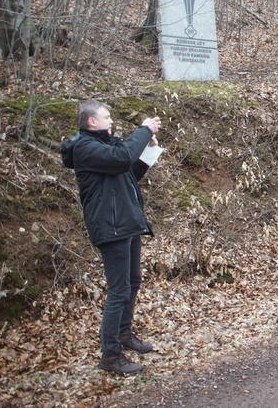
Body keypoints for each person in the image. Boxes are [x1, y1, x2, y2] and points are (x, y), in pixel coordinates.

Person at [61, 99, 162, 375]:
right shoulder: (85, 148)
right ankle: (110, 354)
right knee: (118, 290)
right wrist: (143, 131)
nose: (111, 120)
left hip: (126, 223)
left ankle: (124, 335)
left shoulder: (106, 145)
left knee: (132, 281)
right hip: (110, 226)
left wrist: (147, 151)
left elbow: (129, 172)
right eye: (106, 116)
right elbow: (121, 159)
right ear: (91, 121)